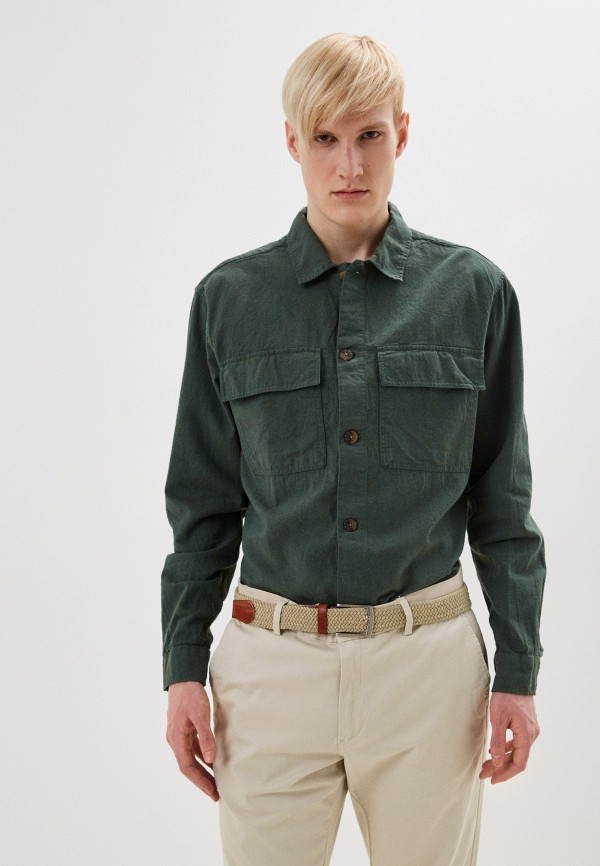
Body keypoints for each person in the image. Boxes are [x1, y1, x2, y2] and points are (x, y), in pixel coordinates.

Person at [161, 33, 546, 866]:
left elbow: (504, 506)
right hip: (270, 674)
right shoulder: (228, 300)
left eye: (369, 134)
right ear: (291, 141)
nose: (349, 164)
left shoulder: (474, 293)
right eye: (325, 137)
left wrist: (519, 669)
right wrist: (182, 664)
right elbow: (202, 505)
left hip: (428, 674)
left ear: (402, 133)